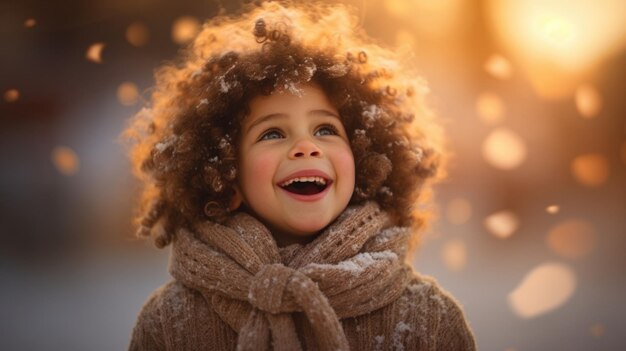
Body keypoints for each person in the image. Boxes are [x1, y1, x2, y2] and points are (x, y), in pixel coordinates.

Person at [124, 1, 476, 350]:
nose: (306, 146)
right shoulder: (170, 324)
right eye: (273, 134)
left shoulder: (427, 318)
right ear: (224, 175)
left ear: (365, 159)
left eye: (326, 129)